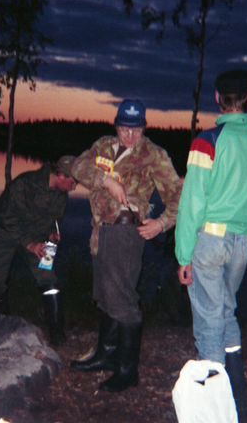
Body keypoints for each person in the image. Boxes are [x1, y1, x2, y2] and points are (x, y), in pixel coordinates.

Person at [174, 69, 247, 418]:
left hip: (209, 239)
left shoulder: (207, 140)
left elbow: (192, 202)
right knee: (225, 309)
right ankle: (240, 404)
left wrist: (182, 254)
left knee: (209, 323)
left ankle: (216, 411)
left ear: (218, 99)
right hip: (242, 242)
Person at [70, 99, 182, 392]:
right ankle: (106, 355)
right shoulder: (103, 146)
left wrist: (161, 223)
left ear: (144, 126)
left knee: (123, 300)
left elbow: (179, 194)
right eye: (124, 128)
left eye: (136, 129)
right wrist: (106, 181)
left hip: (126, 234)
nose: (130, 136)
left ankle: (127, 370)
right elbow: (77, 166)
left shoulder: (154, 155)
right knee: (106, 296)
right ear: (116, 124)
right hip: (101, 232)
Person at [0, 155, 77, 346]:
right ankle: (2, 334)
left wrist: (53, 232)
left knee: (49, 278)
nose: (74, 186)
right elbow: (8, 218)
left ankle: (57, 335)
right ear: (61, 175)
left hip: (36, 237)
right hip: (3, 232)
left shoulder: (62, 194)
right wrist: (29, 244)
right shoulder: (25, 184)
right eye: (73, 181)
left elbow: (56, 219)